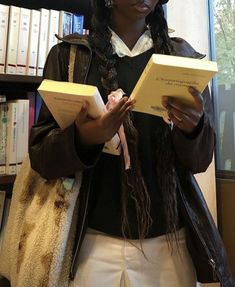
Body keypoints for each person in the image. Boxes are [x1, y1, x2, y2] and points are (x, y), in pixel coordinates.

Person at [29, 0, 235, 286]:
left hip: (170, 247)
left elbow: (200, 162)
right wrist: (87, 137)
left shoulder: (184, 60)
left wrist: (192, 129)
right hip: (92, 244)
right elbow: (41, 156)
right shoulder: (69, 57)